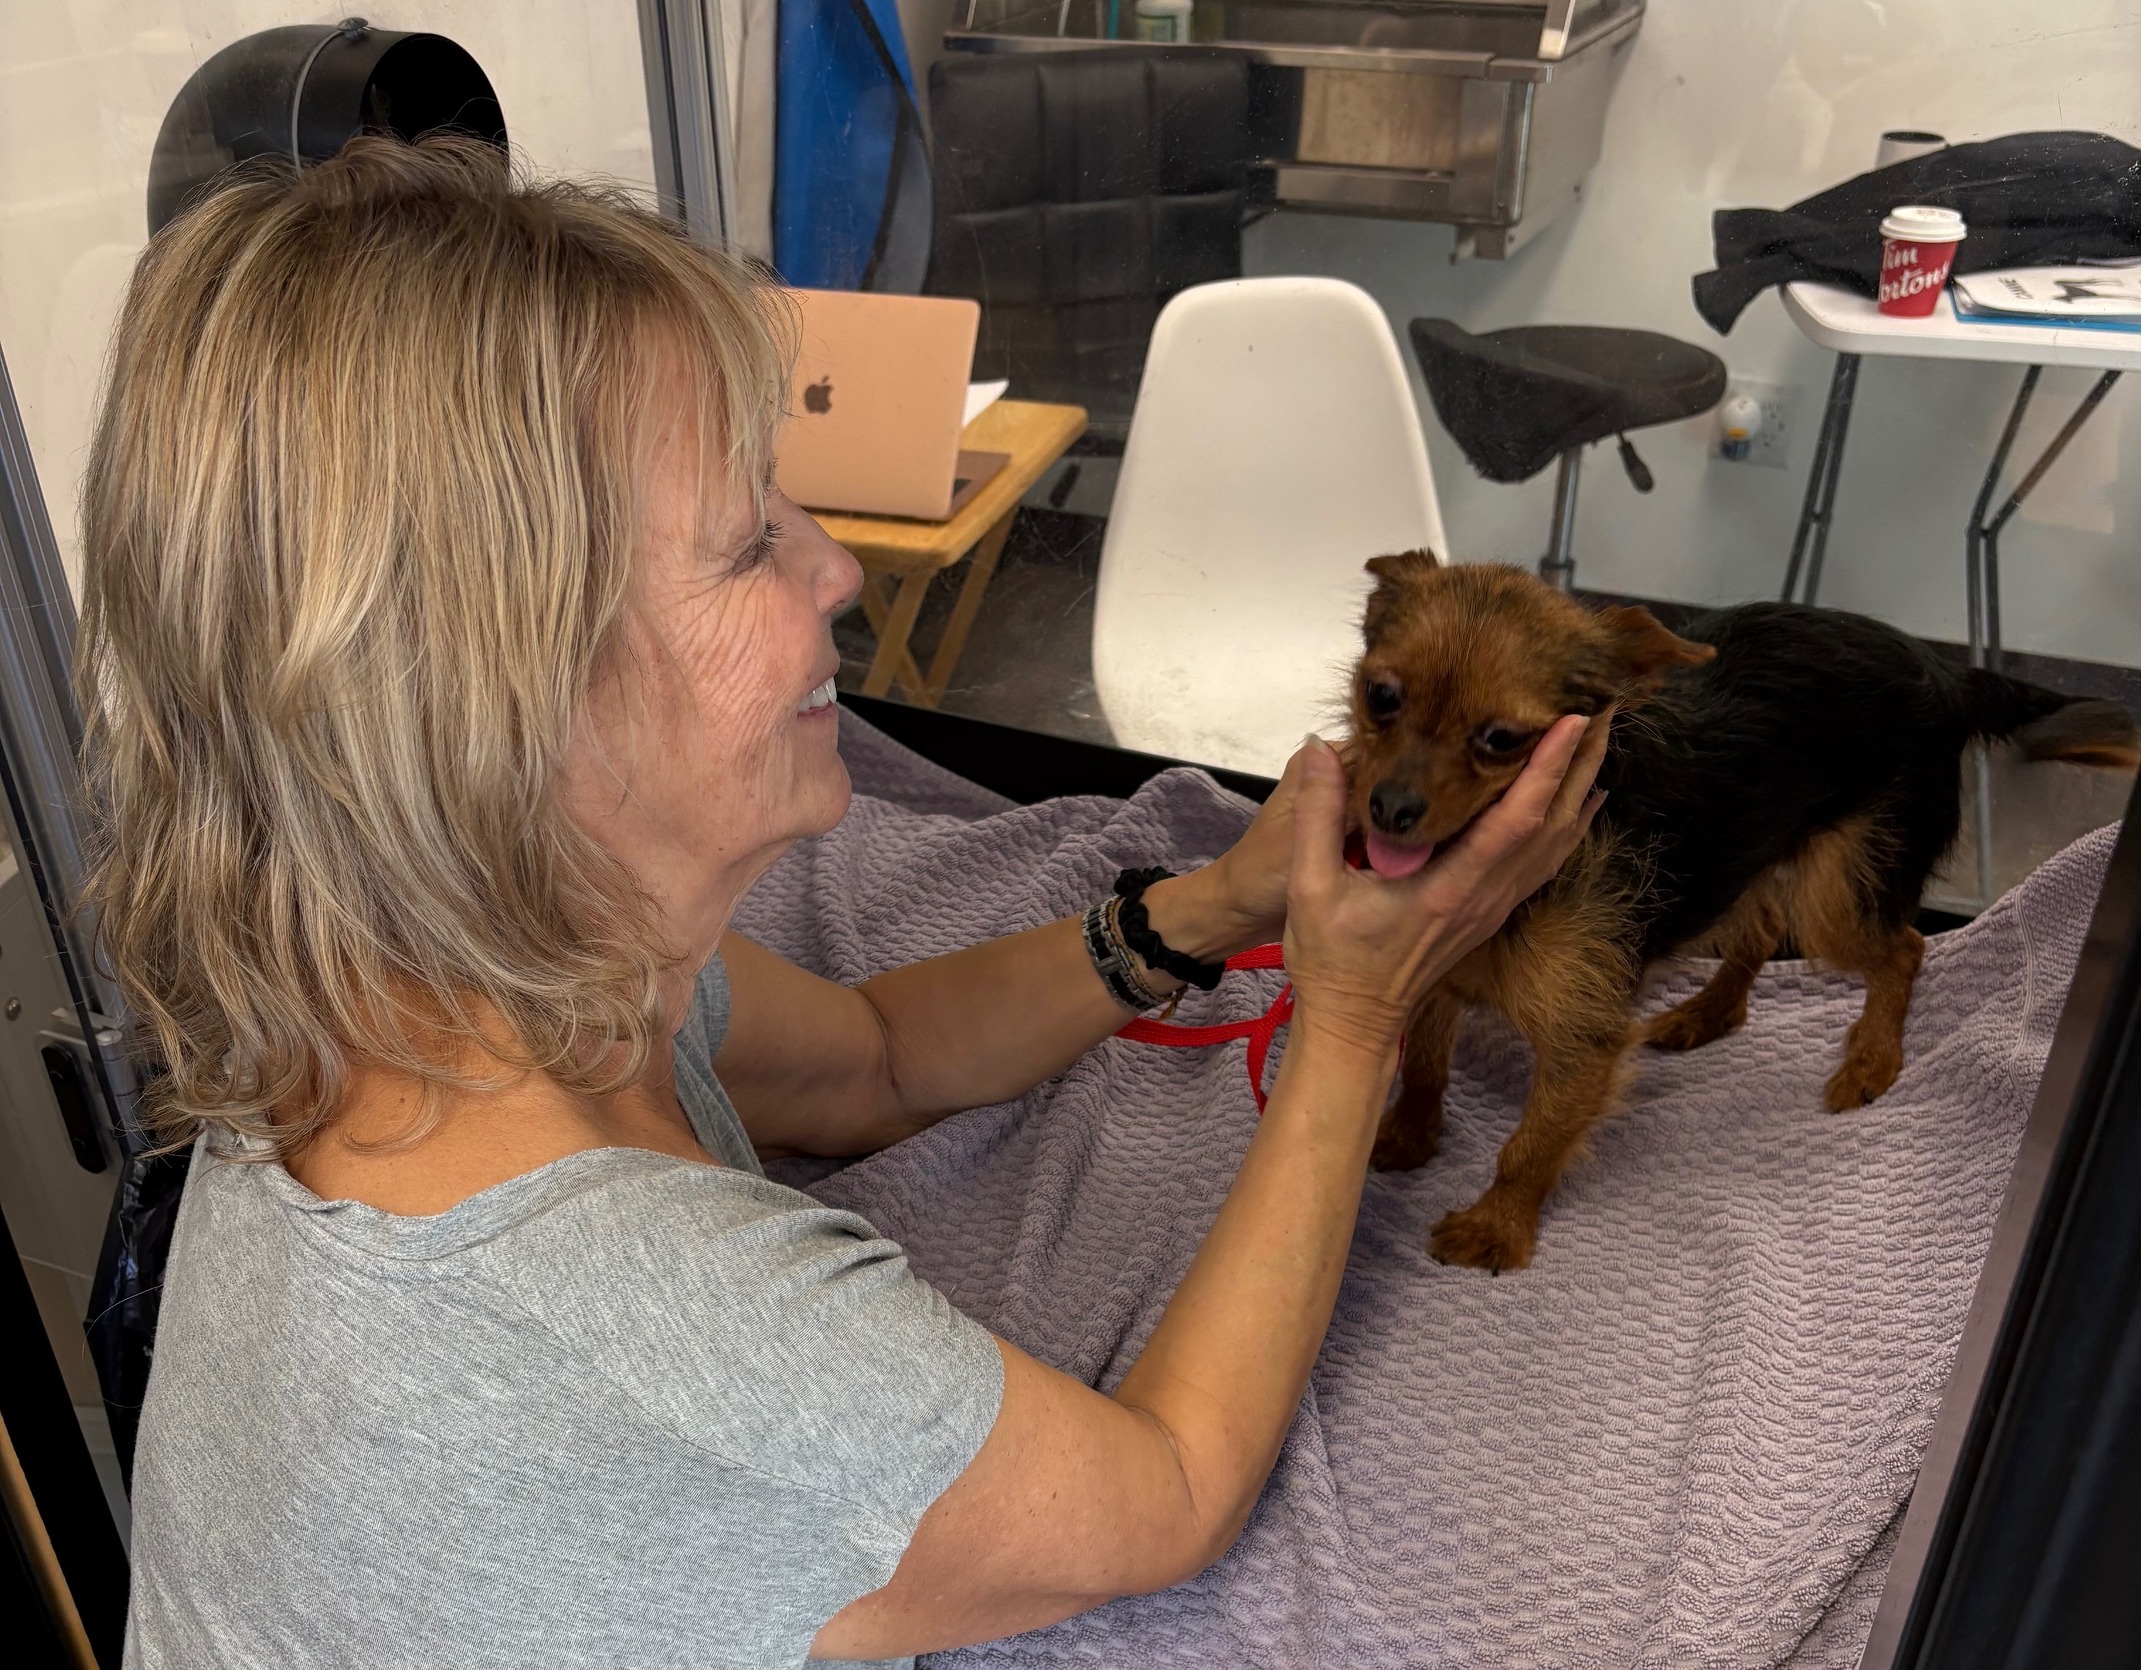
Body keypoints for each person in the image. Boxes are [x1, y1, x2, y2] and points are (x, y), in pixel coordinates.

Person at [82, 138, 1606, 1668]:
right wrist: (1355, 1006)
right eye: (749, 539)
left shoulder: (474, 980)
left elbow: (874, 1057)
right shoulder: (677, 1329)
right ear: (502, 706)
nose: (835, 569)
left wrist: (1214, 903)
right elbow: (1171, 1490)